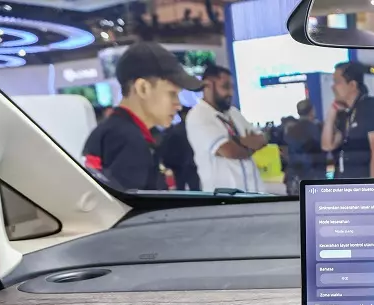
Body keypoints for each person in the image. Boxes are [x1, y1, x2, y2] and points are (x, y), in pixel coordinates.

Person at [82, 41, 201, 191]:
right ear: (143, 88)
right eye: (172, 94)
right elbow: (131, 210)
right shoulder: (128, 140)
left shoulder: (113, 132)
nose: (178, 104)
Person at [185, 65, 266, 192]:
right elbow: (230, 151)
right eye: (225, 87)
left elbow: (262, 139)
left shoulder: (233, 113)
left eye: (231, 87)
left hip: (254, 193)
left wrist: (238, 142)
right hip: (226, 199)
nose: (230, 93)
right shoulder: (198, 116)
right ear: (208, 86)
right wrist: (248, 143)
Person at [322, 61, 374, 178]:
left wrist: (373, 189)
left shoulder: (370, 107)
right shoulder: (346, 114)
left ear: (352, 85)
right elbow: (327, 145)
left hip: (363, 186)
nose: (333, 87)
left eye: (337, 82)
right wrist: (332, 112)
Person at [284, 99, 326, 194]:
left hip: (294, 178)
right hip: (314, 177)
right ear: (312, 111)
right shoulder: (317, 129)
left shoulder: (291, 130)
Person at [157, 108, 200, 191]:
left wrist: (167, 164)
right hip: (192, 165)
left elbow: (165, 148)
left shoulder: (172, 130)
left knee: (180, 189)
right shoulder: (195, 129)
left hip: (178, 166)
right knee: (196, 189)